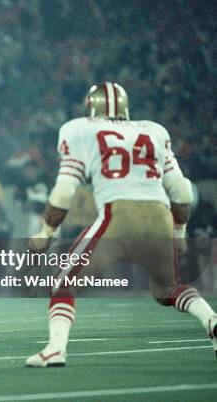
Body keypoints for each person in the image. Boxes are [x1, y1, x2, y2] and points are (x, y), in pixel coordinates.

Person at [23, 82, 216, 367]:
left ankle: (55, 349)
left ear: (91, 107)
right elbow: (183, 191)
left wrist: (46, 232)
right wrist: (179, 233)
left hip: (119, 214)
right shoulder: (153, 130)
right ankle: (211, 319)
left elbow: (64, 191)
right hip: (160, 215)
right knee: (168, 289)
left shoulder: (79, 129)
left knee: (64, 281)